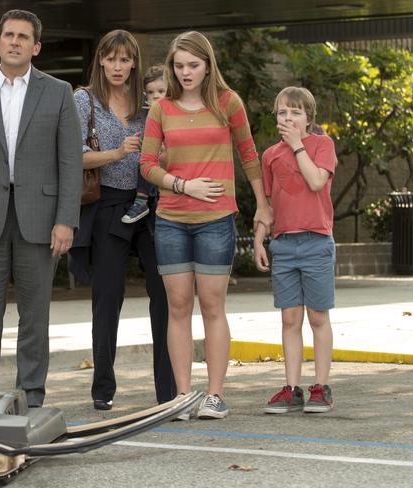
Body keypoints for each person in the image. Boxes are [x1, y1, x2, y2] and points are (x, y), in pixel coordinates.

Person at [0, 9, 82, 407]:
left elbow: (70, 162)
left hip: (40, 221)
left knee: (35, 316)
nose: (15, 42)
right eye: (8, 35)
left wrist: (65, 220)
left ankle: (31, 397)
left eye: (24, 37)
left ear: (36, 47)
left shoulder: (58, 92)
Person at [140, 31, 272, 420]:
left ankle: (215, 395)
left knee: (213, 306)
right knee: (177, 307)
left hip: (216, 219)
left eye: (193, 65)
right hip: (171, 221)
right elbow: (147, 165)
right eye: (179, 66)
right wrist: (183, 184)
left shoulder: (228, 103)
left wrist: (262, 205)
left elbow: (249, 155)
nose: (185, 73)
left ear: (208, 64)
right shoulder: (160, 109)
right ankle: (183, 395)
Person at [70, 30, 176, 411]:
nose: (117, 66)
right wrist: (116, 153)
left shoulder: (151, 100)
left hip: (152, 202)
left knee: (163, 295)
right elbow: (72, 155)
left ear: (134, 63)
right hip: (108, 205)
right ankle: (103, 388)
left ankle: (168, 389)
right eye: (110, 58)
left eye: (124, 59)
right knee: (108, 296)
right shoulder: (84, 100)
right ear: (101, 60)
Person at [254, 86, 337, 414]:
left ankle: (321, 386)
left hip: (316, 241)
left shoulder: (322, 145)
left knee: (317, 315)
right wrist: (260, 238)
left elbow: (317, 182)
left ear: (308, 118)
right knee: (290, 318)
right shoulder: (270, 155)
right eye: (282, 112)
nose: (288, 118)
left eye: (295, 112)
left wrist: (297, 145)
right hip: (284, 245)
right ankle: (292, 388)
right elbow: (270, 205)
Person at [121, 64, 167, 224]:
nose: (155, 96)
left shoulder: (176, 112)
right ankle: (141, 201)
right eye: (151, 92)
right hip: (152, 172)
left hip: (172, 172)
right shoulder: (146, 114)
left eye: (161, 91)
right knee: (143, 161)